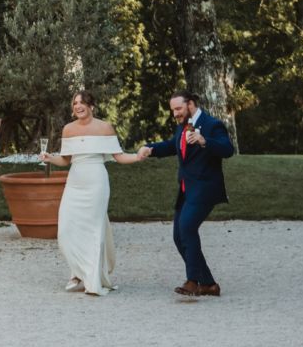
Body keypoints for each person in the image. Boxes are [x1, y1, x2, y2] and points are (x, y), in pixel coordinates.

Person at [39, 90, 143, 296]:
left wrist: (138, 157)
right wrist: (50, 158)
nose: (78, 106)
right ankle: (78, 272)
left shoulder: (105, 128)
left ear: (91, 106)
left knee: (94, 231)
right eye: (75, 103)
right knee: (65, 231)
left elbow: (119, 157)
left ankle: (91, 279)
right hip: (75, 183)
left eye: (82, 103)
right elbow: (66, 160)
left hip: (96, 182)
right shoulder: (68, 130)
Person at [136, 88, 234, 297]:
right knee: (178, 236)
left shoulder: (211, 125)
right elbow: (173, 146)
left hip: (205, 188)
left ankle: (192, 281)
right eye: (173, 110)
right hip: (186, 190)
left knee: (187, 227)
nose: (176, 113)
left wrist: (204, 140)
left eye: (178, 108)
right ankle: (208, 284)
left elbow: (227, 149)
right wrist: (151, 148)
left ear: (190, 104)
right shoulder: (182, 127)